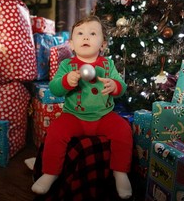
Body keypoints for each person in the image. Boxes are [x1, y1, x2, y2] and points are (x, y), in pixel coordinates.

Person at [32, 15, 133, 199]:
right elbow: (55, 89)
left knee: (123, 130)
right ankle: (50, 173)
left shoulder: (107, 64)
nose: (86, 37)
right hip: (74, 117)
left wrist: (114, 85)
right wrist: (66, 81)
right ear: (71, 44)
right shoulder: (67, 65)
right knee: (55, 131)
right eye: (80, 33)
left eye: (92, 33)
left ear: (102, 45)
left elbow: (122, 88)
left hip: (103, 116)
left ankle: (120, 172)